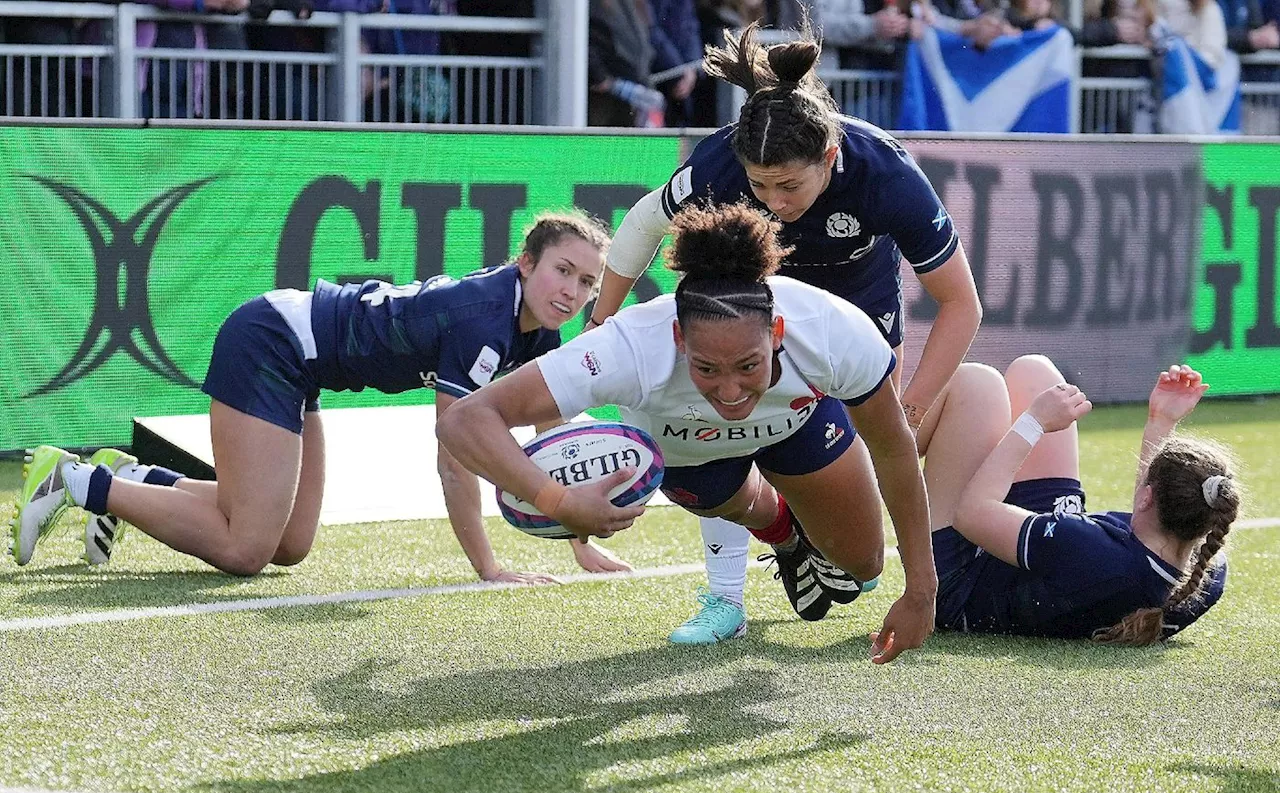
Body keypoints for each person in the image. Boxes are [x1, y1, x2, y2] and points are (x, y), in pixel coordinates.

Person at [584, 22, 981, 644]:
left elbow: (962, 304)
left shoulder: (886, 173)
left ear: (829, 158)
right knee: (719, 424)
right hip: (746, 293)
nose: (774, 201)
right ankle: (723, 598)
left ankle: (819, 546)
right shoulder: (719, 162)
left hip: (858, 307)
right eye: (760, 186)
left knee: (859, 544)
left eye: (790, 185)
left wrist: (910, 406)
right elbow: (641, 225)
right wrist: (602, 320)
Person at [438, 202, 937, 665]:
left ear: (778, 333)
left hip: (797, 425)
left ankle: (807, 530)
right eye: (706, 368)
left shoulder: (832, 329)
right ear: (678, 338)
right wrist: (557, 501)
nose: (730, 391)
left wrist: (920, 590)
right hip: (692, 454)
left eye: (748, 365)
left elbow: (893, 448)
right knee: (746, 504)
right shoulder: (628, 348)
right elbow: (464, 420)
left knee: (863, 567)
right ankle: (785, 535)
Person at [12, 212, 632, 584]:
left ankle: (131, 478)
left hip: (304, 366)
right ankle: (73, 479)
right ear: (525, 263)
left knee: (288, 546)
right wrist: (489, 569)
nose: (574, 290)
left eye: (589, 282)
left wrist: (578, 536)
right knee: (245, 548)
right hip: (272, 342)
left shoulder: (536, 329)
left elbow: (555, 440)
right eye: (563, 270)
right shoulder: (482, 319)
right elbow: (457, 454)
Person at [918, 356, 1237, 641]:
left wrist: (1034, 423)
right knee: (1036, 373)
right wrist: (1161, 421)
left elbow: (971, 514)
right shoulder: (1205, 574)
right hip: (1052, 563)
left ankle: (882, 445)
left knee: (977, 386)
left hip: (964, 582)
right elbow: (1149, 523)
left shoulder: (1092, 550)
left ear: (1147, 497)